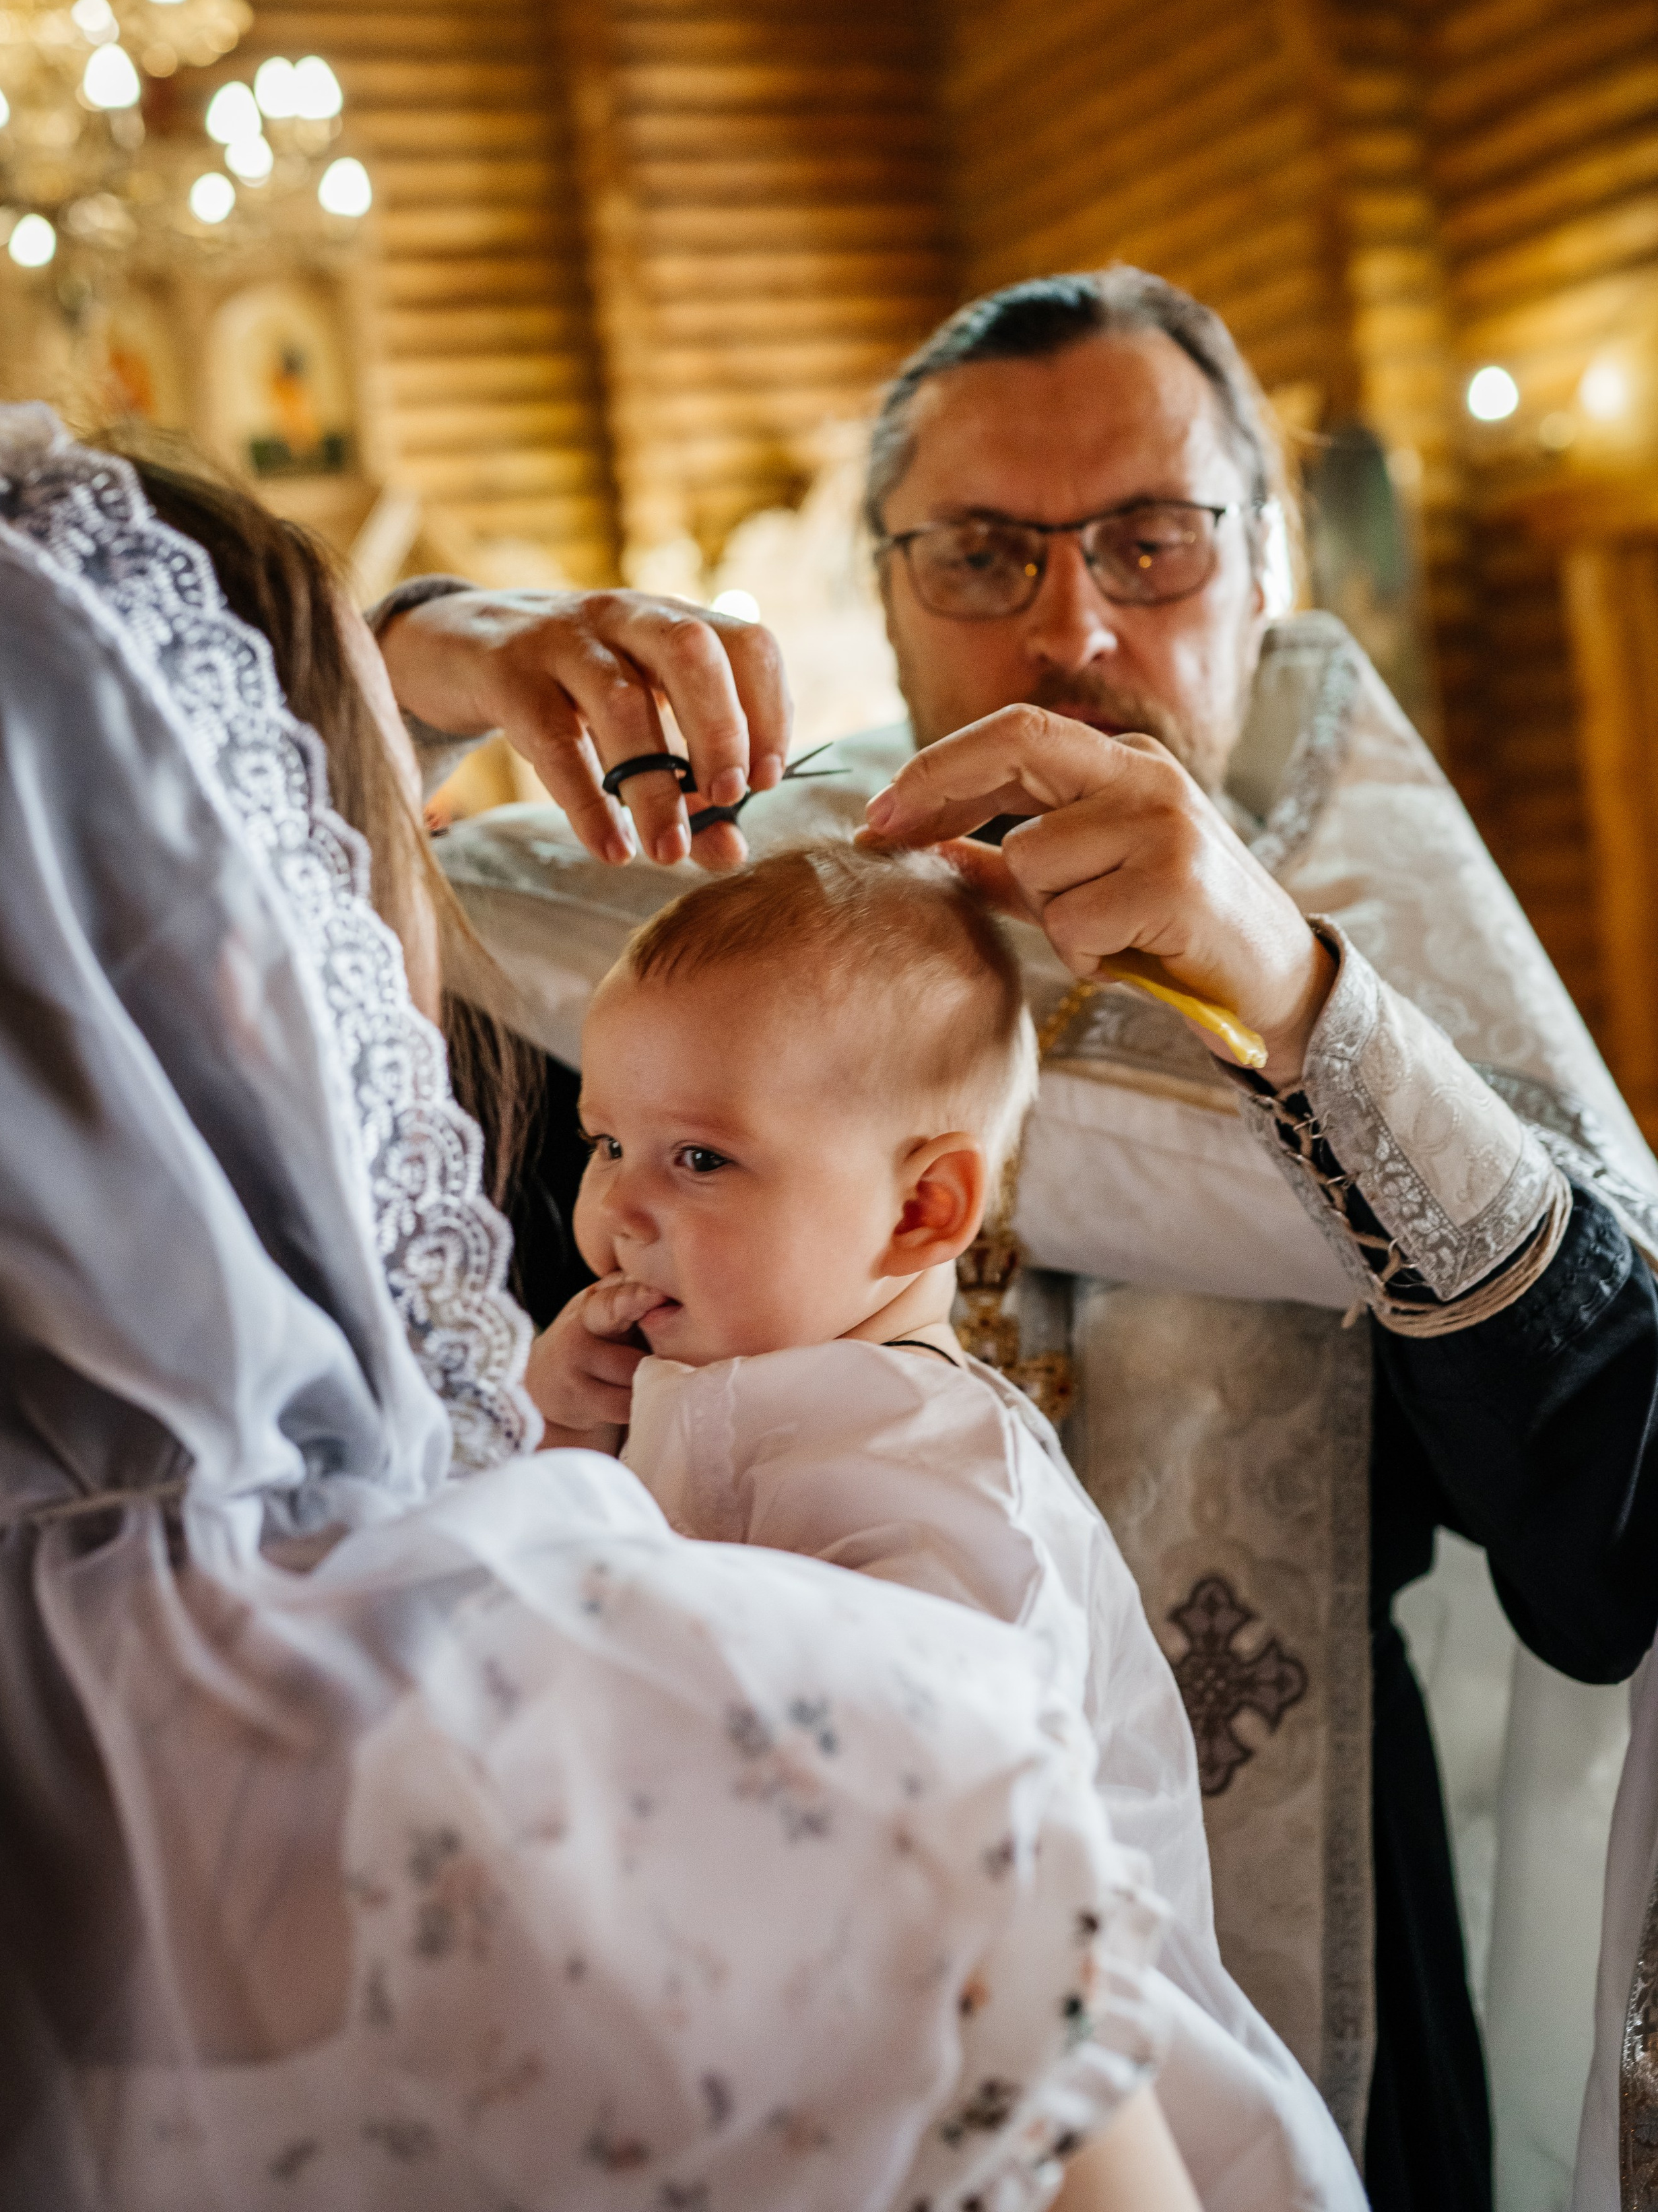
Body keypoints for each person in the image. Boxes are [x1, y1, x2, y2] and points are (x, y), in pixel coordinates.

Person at [374, 268, 1658, 2210]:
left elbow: (1615, 1556)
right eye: (982, 553)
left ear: (1266, 567)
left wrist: (1297, 996)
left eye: (1154, 539)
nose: (1076, 624)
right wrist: (420, 658)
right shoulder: (674, 959)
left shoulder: (1384, 977)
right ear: (889, 594)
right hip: (736, 2020)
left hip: (1309, 1974)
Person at [0, 393, 1205, 2212]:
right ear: (266, 966)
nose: (613, 1201)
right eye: (379, 830)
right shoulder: (888, 1800)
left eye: (695, 1162)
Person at [530, 837, 1366, 2212]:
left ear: (922, 1209)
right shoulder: (719, 1373)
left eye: (699, 1157)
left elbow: (937, 1755)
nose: (619, 1206)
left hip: (1038, 2066)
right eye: (606, 1140)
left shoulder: (935, 1451)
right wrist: (561, 1429)